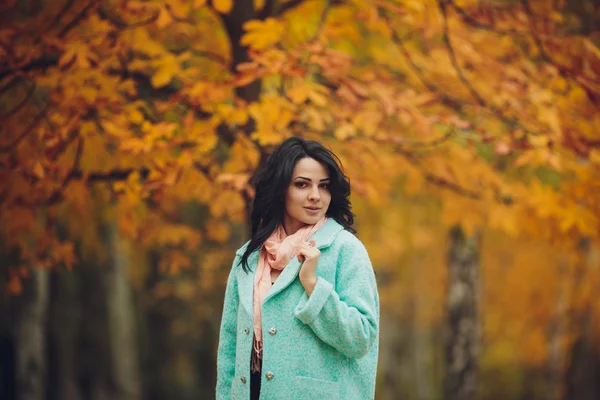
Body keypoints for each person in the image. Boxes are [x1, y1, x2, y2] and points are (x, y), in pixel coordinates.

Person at [215, 137, 379, 400]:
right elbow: (230, 348)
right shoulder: (248, 256)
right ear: (281, 190)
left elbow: (361, 338)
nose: (315, 195)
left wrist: (313, 286)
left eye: (323, 186)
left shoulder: (345, 249)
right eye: (302, 184)